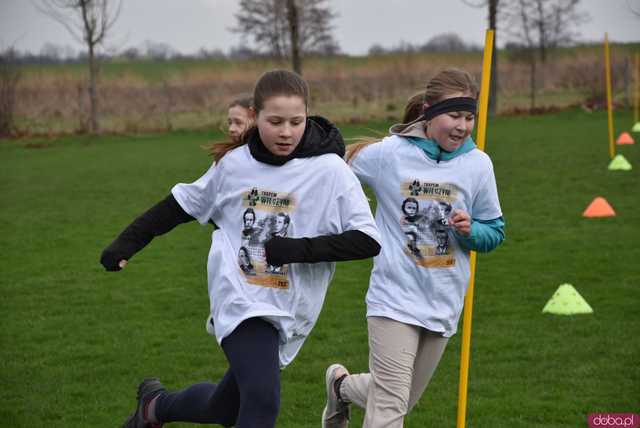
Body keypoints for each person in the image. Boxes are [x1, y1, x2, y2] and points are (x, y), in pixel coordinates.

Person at [100, 69, 381, 428]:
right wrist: (127, 242)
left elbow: (367, 240)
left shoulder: (330, 171)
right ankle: (157, 407)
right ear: (256, 117)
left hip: (291, 309)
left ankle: (155, 407)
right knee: (263, 403)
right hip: (240, 298)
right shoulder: (234, 165)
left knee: (224, 408)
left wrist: (298, 249)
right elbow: (181, 204)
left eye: (296, 121)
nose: (286, 131)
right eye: (275, 121)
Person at [322, 68, 505, 428]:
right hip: (393, 298)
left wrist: (471, 231)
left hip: (443, 302)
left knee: (399, 399)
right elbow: (331, 167)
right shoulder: (390, 155)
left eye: (469, 117)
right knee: (390, 409)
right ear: (428, 111)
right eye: (454, 115)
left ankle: (340, 387)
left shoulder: (479, 165)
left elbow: (495, 232)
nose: (462, 126)